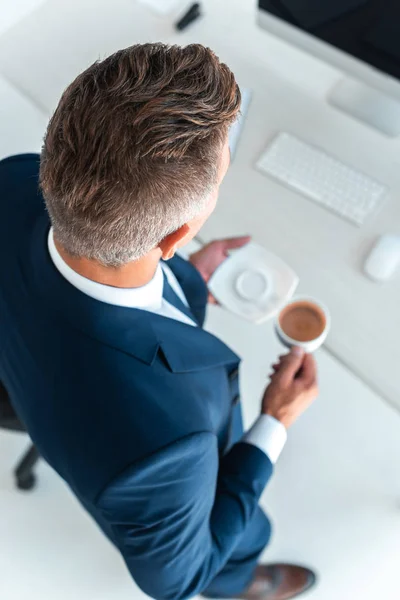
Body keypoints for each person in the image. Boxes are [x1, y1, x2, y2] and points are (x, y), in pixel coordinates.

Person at [0, 43, 319, 600]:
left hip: (36, 365)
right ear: (174, 235)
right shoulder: (162, 447)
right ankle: (246, 584)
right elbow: (177, 578)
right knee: (238, 546)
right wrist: (272, 424)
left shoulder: (11, 181)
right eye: (219, 182)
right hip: (142, 454)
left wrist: (187, 279)